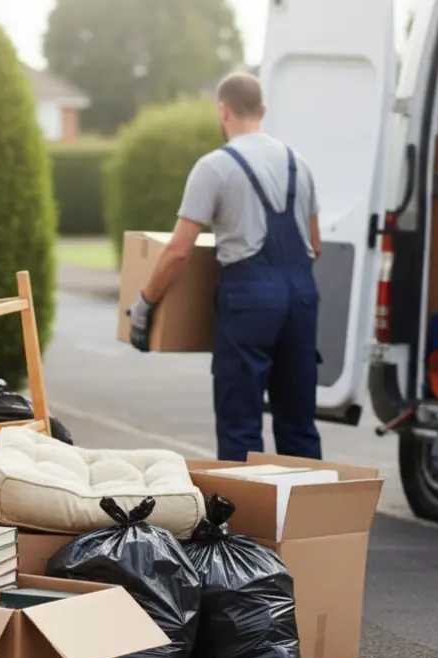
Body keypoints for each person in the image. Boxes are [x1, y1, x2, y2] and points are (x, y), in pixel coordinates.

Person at [124, 72, 323, 462]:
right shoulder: (299, 163)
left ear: (223, 110)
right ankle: (307, 521)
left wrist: (145, 305)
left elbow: (179, 250)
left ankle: (245, 522)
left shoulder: (214, 167)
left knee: (240, 426)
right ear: (262, 111)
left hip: (249, 301)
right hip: (301, 299)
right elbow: (315, 245)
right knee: (298, 424)